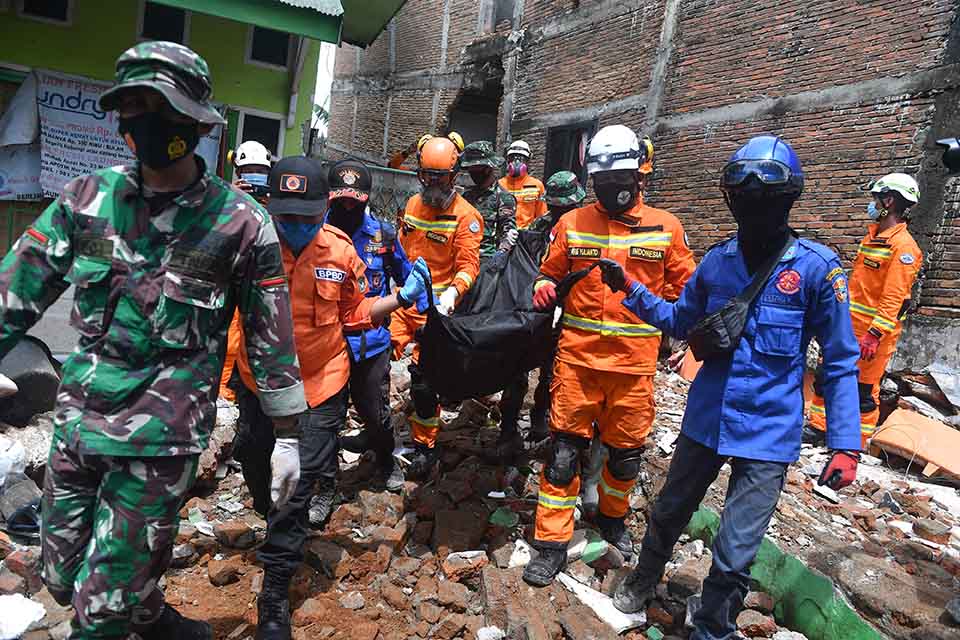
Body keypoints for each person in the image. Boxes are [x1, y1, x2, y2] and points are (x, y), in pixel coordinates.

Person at [0, 42, 307, 639]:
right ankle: (152, 615)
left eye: (157, 109)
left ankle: (125, 606)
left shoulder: (241, 223)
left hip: (159, 442)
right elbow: (18, 286)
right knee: (62, 576)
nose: (141, 123)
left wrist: (289, 435)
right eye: (130, 108)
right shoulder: (87, 201)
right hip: (79, 426)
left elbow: (272, 336)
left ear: (193, 122)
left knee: (98, 611)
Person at [605, 135, 862, 640]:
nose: (753, 209)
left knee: (737, 548)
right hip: (708, 418)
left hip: (768, 431)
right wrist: (630, 289)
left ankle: (712, 628)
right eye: (743, 200)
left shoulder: (815, 269)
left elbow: (840, 359)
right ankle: (643, 579)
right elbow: (679, 320)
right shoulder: (717, 263)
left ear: (787, 201)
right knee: (669, 511)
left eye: (764, 200)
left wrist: (845, 443)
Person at [231, 156, 430, 640]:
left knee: (299, 484)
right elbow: (226, 316)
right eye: (285, 219)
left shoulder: (341, 253)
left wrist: (402, 299)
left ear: (322, 210)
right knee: (253, 459)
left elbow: (357, 311)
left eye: (305, 218)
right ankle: (273, 513)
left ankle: (275, 592)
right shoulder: (247, 249)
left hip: (322, 383)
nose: (295, 228)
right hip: (261, 382)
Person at [523, 125, 695, 586]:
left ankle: (612, 521)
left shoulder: (667, 228)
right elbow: (549, 273)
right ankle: (551, 544)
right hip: (577, 365)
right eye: (603, 182)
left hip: (633, 370)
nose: (613, 190)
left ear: (640, 174)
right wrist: (543, 289)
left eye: (621, 180)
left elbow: (687, 296)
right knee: (562, 457)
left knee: (624, 459)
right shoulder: (572, 223)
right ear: (591, 181)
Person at [391, 136, 484, 479]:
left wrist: (452, 294)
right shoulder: (413, 205)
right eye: (427, 176)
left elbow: (469, 266)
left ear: (454, 175)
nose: (432, 184)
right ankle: (376, 433)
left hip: (438, 312)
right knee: (370, 360)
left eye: (439, 177)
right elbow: (401, 252)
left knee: (423, 383)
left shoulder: (466, 217)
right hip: (403, 305)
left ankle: (424, 446)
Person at [807, 174, 922, 448]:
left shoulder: (904, 247)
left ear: (889, 200)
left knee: (862, 391)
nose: (872, 204)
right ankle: (819, 428)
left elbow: (895, 296)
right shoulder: (873, 237)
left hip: (872, 336)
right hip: (846, 327)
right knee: (827, 376)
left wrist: (874, 333)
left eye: (876, 198)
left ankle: (853, 443)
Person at [324, 159, 412, 501]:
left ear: (365, 199)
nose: (347, 206)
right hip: (327, 343)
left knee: (375, 411)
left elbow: (404, 278)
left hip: (370, 343)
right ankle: (325, 485)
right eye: (340, 200)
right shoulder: (318, 233)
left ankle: (386, 460)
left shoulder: (384, 235)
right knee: (325, 419)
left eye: (354, 200)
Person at [499, 171, 586, 452]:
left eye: (567, 207)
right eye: (557, 207)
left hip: (569, 310)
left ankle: (540, 419)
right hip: (535, 304)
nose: (562, 212)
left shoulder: (586, 228)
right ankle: (509, 427)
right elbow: (524, 262)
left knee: (552, 372)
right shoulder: (540, 226)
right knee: (516, 368)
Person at [220, 140, 274, 403]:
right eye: (249, 170)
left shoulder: (276, 200)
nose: (255, 175)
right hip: (231, 277)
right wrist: (232, 199)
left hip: (263, 280)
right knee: (229, 338)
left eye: (260, 170)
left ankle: (248, 392)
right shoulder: (225, 197)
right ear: (238, 172)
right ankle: (224, 393)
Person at [461, 141, 518, 263]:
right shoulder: (466, 196)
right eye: (470, 169)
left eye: (476, 169)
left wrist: (500, 254)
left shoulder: (503, 198)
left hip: (487, 262)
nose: (472, 173)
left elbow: (508, 233)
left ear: (488, 168)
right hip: (463, 257)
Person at [499, 140, 548, 229]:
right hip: (504, 235)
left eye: (522, 158)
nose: (516, 162)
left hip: (526, 237)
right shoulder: (500, 184)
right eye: (512, 158)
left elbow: (542, 216)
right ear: (507, 160)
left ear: (528, 161)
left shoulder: (537, 185)